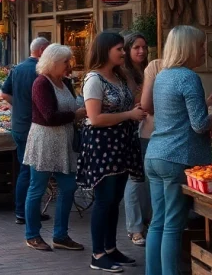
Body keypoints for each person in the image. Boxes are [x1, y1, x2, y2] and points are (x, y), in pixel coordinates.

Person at [143, 26, 212, 275]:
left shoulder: (163, 75)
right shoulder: (188, 77)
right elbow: (199, 125)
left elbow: (174, 114)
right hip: (178, 157)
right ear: (188, 49)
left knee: (157, 222)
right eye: (201, 46)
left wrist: (206, 107)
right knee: (173, 225)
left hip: (155, 154)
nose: (204, 50)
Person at [78, 32, 147, 273]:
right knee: (104, 199)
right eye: (119, 49)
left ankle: (110, 248)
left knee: (115, 199)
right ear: (105, 50)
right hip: (103, 146)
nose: (123, 53)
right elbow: (95, 118)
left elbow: (129, 102)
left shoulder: (119, 76)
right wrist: (129, 115)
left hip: (122, 145)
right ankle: (98, 254)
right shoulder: (93, 79)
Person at [22, 43, 86, 252]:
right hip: (45, 141)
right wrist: (75, 115)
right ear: (53, 62)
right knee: (37, 188)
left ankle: (60, 235)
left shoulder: (65, 82)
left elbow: (72, 105)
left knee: (69, 187)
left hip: (64, 141)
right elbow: (49, 116)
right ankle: (32, 234)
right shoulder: (41, 83)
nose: (69, 65)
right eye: (66, 62)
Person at [2, 36, 51, 225]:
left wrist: (19, 105)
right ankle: (25, 212)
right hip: (33, 126)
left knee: (26, 168)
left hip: (18, 125)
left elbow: (5, 93)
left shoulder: (17, 68)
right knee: (31, 170)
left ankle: (24, 211)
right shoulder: (41, 71)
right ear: (42, 51)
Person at [122, 33, 152, 247]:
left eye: (144, 47)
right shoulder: (124, 73)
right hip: (132, 130)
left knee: (147, 179)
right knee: (135, 179)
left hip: (149, 129)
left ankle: (144, 222)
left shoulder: (147, 69)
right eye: (136, 47)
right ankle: (134, 227)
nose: (142, 51)